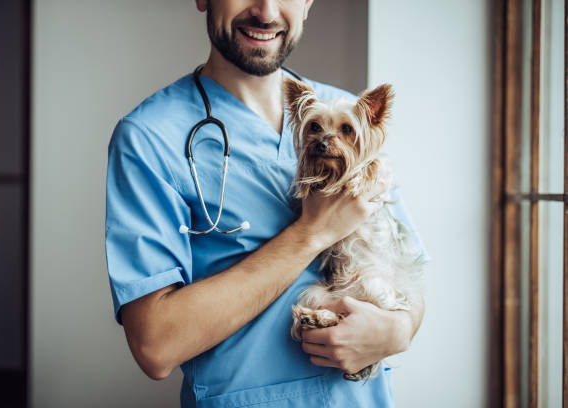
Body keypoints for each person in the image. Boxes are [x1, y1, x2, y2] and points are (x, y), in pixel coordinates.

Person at [105, 1, 427, 406]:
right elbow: (155, 347)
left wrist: (399, 330)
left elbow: (408, 270)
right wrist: (312, 233)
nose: (266, 11)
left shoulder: (347, 115)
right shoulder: (149, 138)